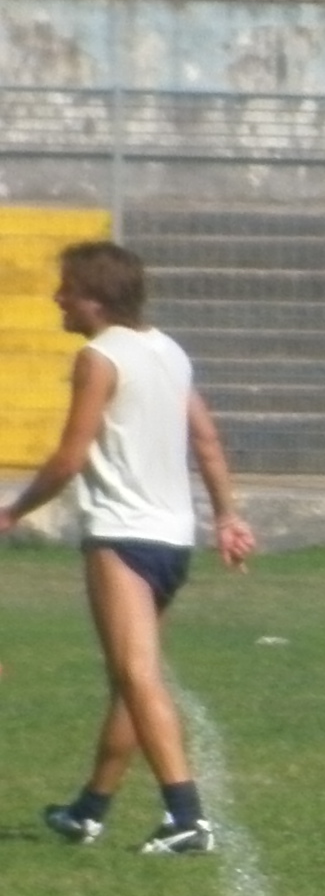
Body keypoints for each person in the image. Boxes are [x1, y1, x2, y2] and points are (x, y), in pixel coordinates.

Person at [10, 243, 256, 855]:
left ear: (93, 297)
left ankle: (186, 817)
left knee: (137, 674)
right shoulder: (168, 350)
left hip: (121, 536)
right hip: (173, 539)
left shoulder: (98, 358)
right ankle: (89, 809)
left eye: (66, 288)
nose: (57, 298)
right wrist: (226, 515)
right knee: (131, 678)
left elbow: (70, 455)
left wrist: (13, 510)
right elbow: (206, 438)